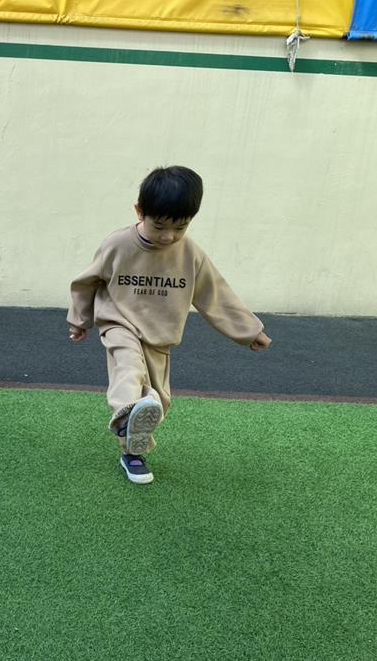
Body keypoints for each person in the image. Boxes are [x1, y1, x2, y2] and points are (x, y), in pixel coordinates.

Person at [67, 166, 271, 484]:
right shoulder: (117, 245)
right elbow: (86, 282)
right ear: (140, 211)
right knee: (129, 368)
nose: (168, 236)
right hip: (119, 322)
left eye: (180, 227)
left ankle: (132, 452)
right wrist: (80, 320)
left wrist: (248, 331)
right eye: (159, 226)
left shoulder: (190, 254)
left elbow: (215, 294)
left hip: (160, 335)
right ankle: (124, 415)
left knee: (157, 403)